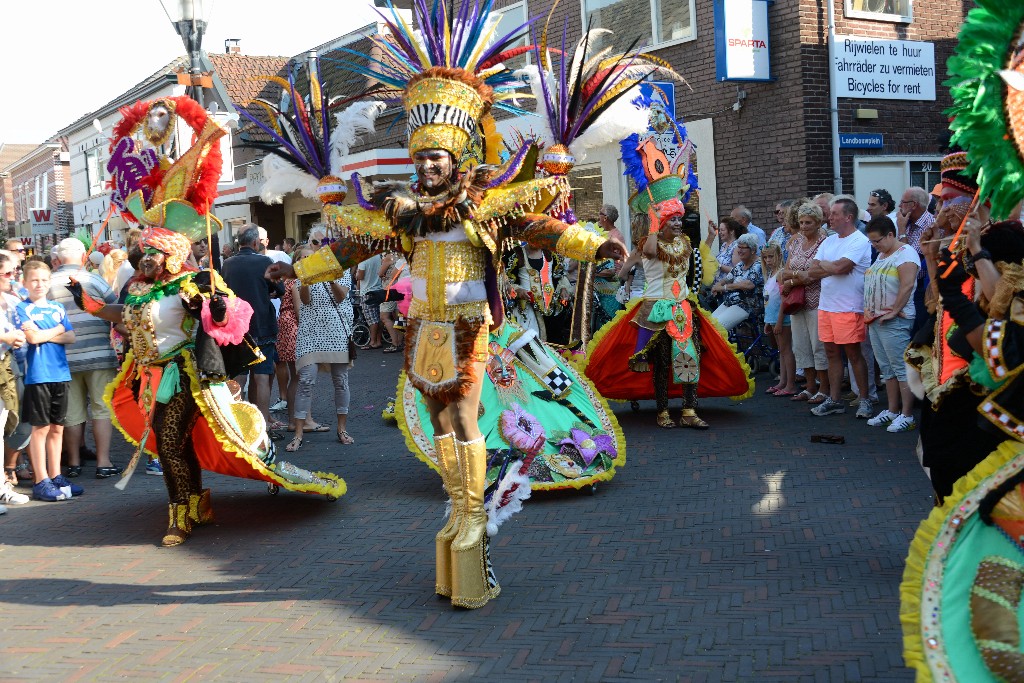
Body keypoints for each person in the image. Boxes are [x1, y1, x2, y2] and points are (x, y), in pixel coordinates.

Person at [259, 5, 639, 607]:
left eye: (438, 157)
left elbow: (544, 230)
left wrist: (596, 242)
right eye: (421, 157)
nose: (428, 165)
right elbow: (353, 247)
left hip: (468, 328)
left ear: (456, 160)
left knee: (463, 418)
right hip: (423, 328)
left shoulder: (485, 207)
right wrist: (295, 269)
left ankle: (471, 515)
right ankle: (457, 508)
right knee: (439, 421)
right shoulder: (403, 217)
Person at [70, 95, 345, 546]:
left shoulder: (193, 281)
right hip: (148, 376)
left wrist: (214, 308)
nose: (143, 257)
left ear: (172, 254)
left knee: (172, 440)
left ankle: (182, 514)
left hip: (185, 375)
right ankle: (195, 501)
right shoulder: (139, 287)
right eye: (143, 251)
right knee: (171, 443)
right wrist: (94, 307)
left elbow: (233, 320)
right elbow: (126, 317)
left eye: (153, 252)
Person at [48, 238, 123, 479]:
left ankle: (74, 462)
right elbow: (117, 310)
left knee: (73, 412)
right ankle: (103, 462)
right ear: (83, 257)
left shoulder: (48, 282)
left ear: (58, 258)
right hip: (99, 353)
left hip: (64, 357)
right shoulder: (93, 279)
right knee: (101, 409)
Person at [801, 197, 873, 418]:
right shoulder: (829, 242)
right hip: (827, 306)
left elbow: (842, 267)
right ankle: (835, 400)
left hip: (849, 307)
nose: (829, 217)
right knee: (831, 353)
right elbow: (812, 271)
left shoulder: (859, 240)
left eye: (834, 214)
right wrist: (830, 267)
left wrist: (829, 267)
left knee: (853, 354)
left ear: (848, 217)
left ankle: (865, 399)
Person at [15, 260, 77, 502]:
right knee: (40, 429)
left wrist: (48, 333)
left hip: (61, 374)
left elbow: (71, 336)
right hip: (38, 376)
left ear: (49, 282)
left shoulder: (57, 308)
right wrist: (57, 330)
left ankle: (56, 475)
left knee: (57, 428)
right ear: (25, 283)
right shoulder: (23, 308)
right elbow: (32, 338)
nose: (39, 284)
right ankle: (40, 479)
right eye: (34, 280)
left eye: (43, 280)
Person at [287, 247, 355, 452]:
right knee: (306, 379)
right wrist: (308, 279)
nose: (308, 260)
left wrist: (329, 277)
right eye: (303, 258)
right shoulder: (301, 276)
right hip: (310, 333)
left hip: (336, 331)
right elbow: (305, 300)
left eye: (311, 256)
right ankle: (298, 434)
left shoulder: (340, 270)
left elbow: (341, 296)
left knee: (340, 381)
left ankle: (342, 429)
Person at [220, 225, 283, 430]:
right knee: (262, 375)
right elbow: (280, 289)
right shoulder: (264, 261)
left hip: (237, 326)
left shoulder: (227, 264)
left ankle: (235, 421)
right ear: (256, 242)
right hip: (262, 324)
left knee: (239, 374)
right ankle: (262, 422)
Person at [861, 216, 918, 432]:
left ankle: (907, 414)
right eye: (872, 242)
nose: (875, 246)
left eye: (877, 241)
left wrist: (894, 311)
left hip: (894, 320)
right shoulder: (883, 254)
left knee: (900, 367)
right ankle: (893, 410)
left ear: (891, 235)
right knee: (887, 369)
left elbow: (907, 285)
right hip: (876, 319)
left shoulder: (906, 254)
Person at [778, 200, 831, 403]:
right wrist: (794, 277)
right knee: (801, 346)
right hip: (797, 302)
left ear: (818, 223)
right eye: (801, 222)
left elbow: (813, 275)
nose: (803, 226)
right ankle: (809, 387)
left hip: (817, 300)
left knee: (818, 346)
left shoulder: (824, 242)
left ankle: (823, 389)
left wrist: (793, 278)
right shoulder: (797, 242)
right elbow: (785, 271)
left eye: (808, 222)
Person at [503, 244, 574, 344]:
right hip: (527, 309)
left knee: (555, 342)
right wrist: (518, 291)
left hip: (552, 309)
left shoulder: (551, 253)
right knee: (531, 343)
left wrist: (563, 288)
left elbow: (559, 276)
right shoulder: (516, 254)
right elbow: (506, 281)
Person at [762, 243, 797, 396]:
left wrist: (779, 320)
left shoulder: (781, 274)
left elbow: (784, 299)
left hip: (781, 319)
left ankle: (790, 384)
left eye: (771, 256)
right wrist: (767, 321)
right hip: (772, 318)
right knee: (781, 351)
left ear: (778, 256)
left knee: (786, 350)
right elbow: (768, 300)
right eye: (765, 257)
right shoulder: (770, 274)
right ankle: (782, 381)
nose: (768, 260)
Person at [711, 233, 763, 331]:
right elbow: (727, 279)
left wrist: (724, 288)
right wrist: (717, 285)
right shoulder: (740, 265)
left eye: (743, 248)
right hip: (732, 301)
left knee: (716, 329)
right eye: (738, 247)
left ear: (753, 250)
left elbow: (748, 284)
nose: (739, 250)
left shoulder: (758, 265)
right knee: (709, 324)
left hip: (748, 305)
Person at [378, 251, 408, 354]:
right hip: (406, 292)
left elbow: (383, 274)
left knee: (384, 316)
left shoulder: (394, 258)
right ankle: (399, 342)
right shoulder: (410, 258)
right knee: (398, 317)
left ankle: (395, 343)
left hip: (393, 290)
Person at [355, 253, 384, 350]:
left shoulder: (363, 259)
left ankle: (373, 342)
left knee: (372, 319)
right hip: (379, 289)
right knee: (379, 318)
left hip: (367, 291)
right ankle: (378, 340)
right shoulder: (377, 256)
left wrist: (357, 274)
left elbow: (361, 276)